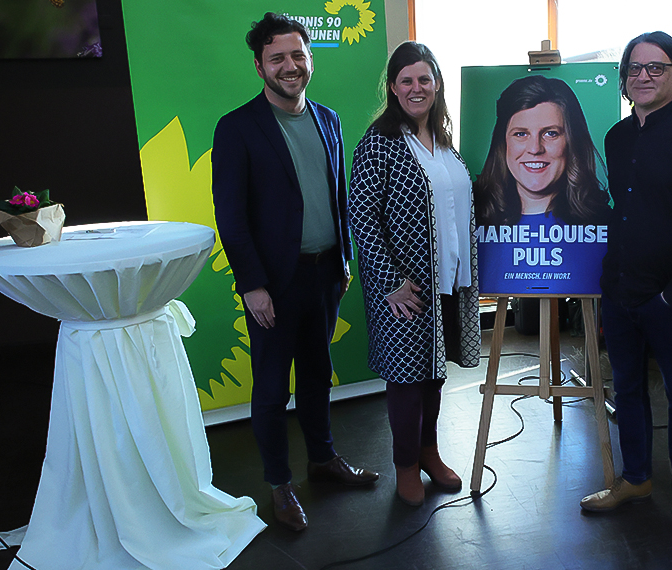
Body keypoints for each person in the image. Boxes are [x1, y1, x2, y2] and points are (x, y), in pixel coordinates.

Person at [211, 12, 378, 532]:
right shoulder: (237, 127)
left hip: (325, 273)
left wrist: (344, 258)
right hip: (273, 284)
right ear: (259, 65)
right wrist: (252, 285)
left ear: (310, 60)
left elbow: (338, 195)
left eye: (298, 55)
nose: (290, 66)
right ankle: (280, 484)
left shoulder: (329, 119)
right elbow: (230, 216)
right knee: (270, 388)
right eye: (277, 57)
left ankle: (323, 460)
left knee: (316, 375)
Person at [579, 31, 672, 521]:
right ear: (624, 78)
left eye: (655, 67)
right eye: (634, 68)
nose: (642, 76)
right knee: (626, 390)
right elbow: (627, 211)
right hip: (620, 289)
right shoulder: (616, 137)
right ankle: (636, 478)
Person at [349, 42, 480, 507]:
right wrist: (391, 283)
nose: (416, 87)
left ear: (437, 84)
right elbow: (362, 217)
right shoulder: (378, 144)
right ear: (393, 87)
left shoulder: (443, 142)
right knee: (407, 382)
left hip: (448, 280)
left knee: (434, 377)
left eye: (424, 78)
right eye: (406, 80)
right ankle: (405, 465)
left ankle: (429, 453)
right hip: (405, 288)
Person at [475, 75, 609, 227]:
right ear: (503, 143)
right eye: (521, 134)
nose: (535, 149)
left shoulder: (605, 224)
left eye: (551, 133)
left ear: (571, 142)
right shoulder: (470, 215)